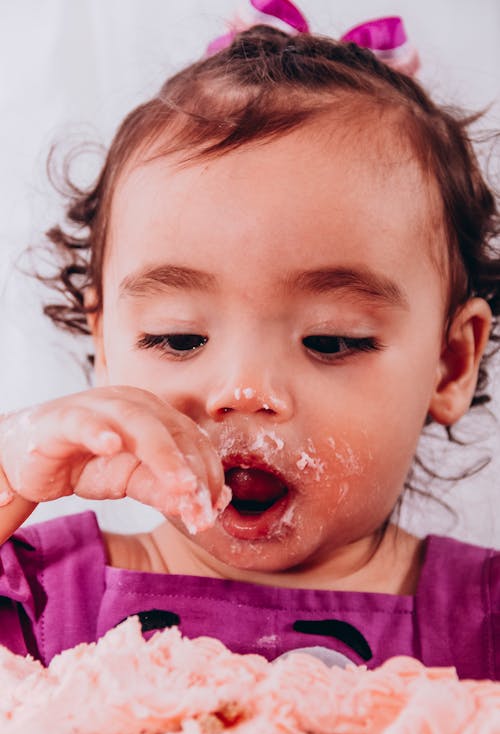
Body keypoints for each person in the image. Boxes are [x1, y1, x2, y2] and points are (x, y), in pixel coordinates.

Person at [0, 23, 498, 680]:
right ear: (106, 346)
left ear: (449, 363)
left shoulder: (483, 622)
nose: (244, 389)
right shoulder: (37, 598)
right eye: (178, 338)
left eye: (330, 341)